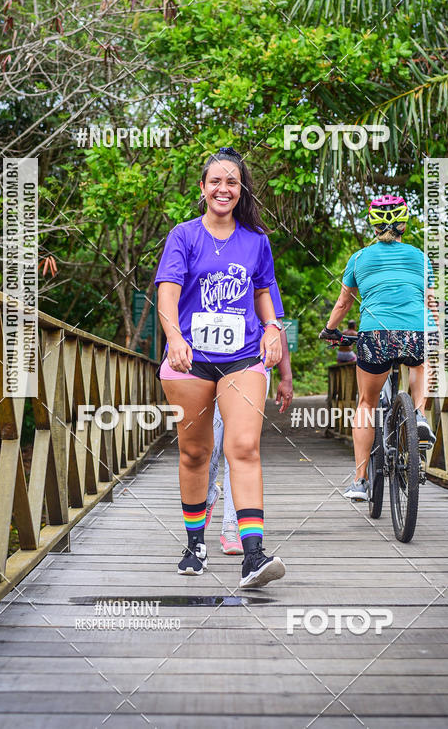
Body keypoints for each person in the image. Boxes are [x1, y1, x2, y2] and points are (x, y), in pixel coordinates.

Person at [155, 146, 286, 588]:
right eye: (216, 181)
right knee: (194, 452)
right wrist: (174, 336)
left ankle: (254, 556)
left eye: (232, 181)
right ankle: (195, 544)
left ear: (241, 189)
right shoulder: (184, 235)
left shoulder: (256, 240)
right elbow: (168, 291)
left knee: (244, 446)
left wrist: (272, 328)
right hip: (190, 358)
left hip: (243, 356)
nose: (223, 189)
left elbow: (264, 290)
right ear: (203, 188)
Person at [319, 194, 437, 502]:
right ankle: (419, 415)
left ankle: (360, 481)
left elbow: (344, 303)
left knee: (366, 404)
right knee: (421, 362)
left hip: (375, 335)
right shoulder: (420, 257)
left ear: (373, 226)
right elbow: (431, 303)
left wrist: (330, 330)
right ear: (403, 225)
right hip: (415, 331)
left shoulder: (359, 258)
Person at [206, 279, 293, 555]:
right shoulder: (200, 261)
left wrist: (286, 375)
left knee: (240, 447)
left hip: (250, 365)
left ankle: (231, 525)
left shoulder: (257, 264)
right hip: (207, 364)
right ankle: (207, 495)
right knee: (210, 445)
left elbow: (275, 324)